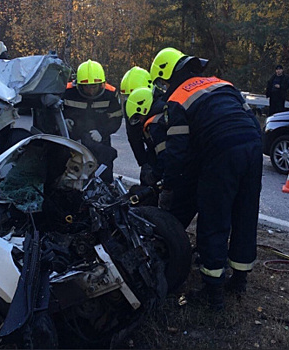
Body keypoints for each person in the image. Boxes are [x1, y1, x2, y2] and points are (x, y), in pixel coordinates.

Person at [149, 47, 263, 310]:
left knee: (214, 217)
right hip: (253, 146)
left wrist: (169, 182)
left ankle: (214, 294)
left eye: (163, 82)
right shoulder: (222, 83)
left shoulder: (178, 98)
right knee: (245, 212)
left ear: (168, 76)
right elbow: (249, 118)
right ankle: (240, 279)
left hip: (221, 152)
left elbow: (178, 152)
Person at [62, 59, 122, 183]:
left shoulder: (110, 94)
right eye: (86, 87)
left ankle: (104, 192)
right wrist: (63, 121)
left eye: (94, 86)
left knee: (105, 167)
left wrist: (102, 132)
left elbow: (116, 118)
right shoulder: (66, 91)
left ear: (101, 84)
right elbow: (53, 110)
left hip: (99, 138)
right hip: (72, 138)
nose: (90, 90)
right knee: (67, 169)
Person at [119, 67, 157, 185]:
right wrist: (143, 162)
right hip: (151, 150)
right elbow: (133, 136)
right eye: (129, 96)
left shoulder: (161, 104)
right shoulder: (130, 106)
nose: (132, 99)